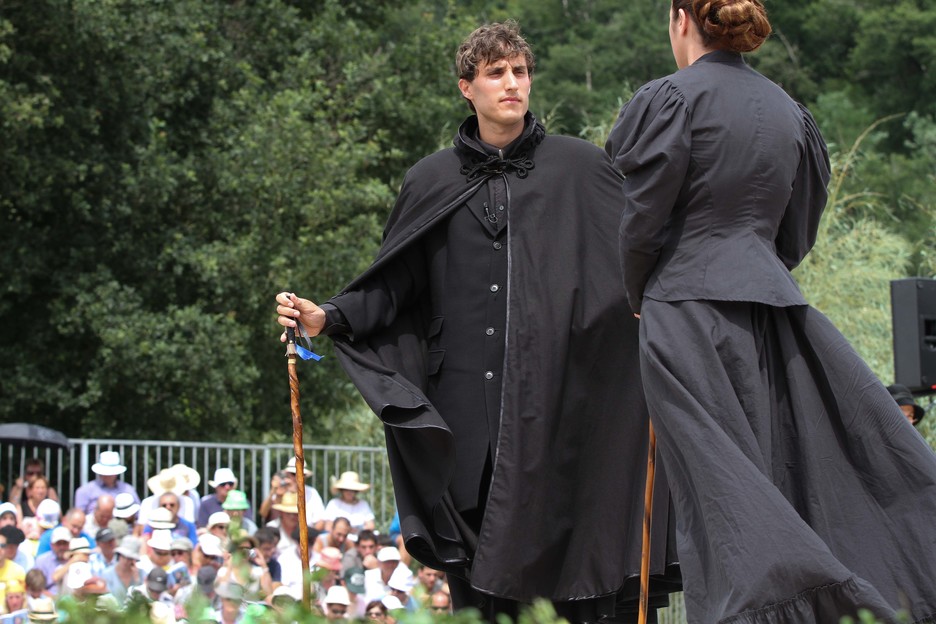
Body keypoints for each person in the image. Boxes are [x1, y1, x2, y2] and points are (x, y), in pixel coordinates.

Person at [274, 19, 677, 622]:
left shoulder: (583, 168)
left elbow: (634, 266)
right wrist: (325, 317)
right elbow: (393, 286)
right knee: (477, 588)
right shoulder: (429, 179)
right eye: (496, 74)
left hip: (558, 415)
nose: (511, 84)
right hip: (463, 422)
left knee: (570, 581)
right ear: (468, 87)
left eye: (520, 72)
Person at [605, 1, 936, 622]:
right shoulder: (790, 114)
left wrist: (638, 297)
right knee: (773, 477)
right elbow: (796, 233)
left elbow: (641, 222)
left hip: (682, 308)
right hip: (771, 310)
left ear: (680, 19)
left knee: (719, 493)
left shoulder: (670, 98)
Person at [73, 451, 139, 515]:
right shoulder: (85, 491)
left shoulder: (128, 489)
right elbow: (79, 515)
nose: (107, 475)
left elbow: (138, 513)